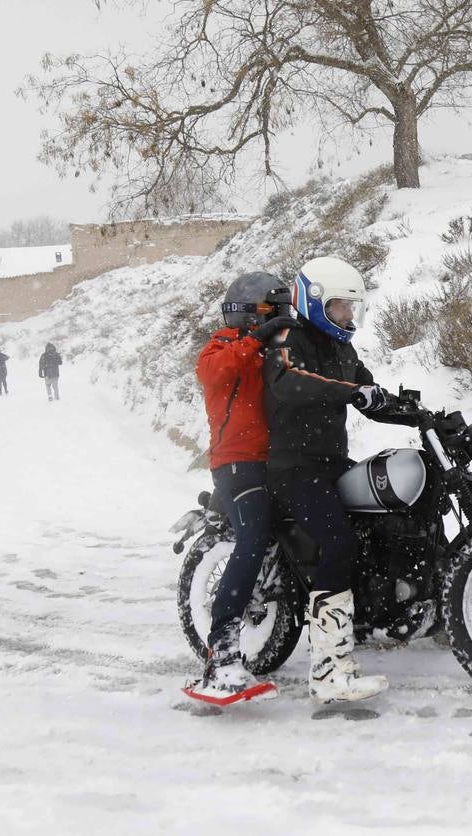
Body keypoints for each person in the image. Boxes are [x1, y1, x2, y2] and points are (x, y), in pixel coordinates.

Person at [264, 256, 392, 704]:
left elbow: (369, 395)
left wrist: (419, 414)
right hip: (291, 467)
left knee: (382, 522)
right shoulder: (286, 338)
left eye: (352, 307)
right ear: (316, 302)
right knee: (336, 541)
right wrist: (350, 391)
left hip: (330, 461)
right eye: (341, 306)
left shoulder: (343, 349)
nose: (349, 315)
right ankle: (327, 670)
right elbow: (289, 381)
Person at [183, 272, 297, 706]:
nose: (280, 320)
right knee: (253, 538)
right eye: (272, 312)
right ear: (248, 313)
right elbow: (214, 373)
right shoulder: (221, 348)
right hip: (237, 466)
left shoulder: (274, 350)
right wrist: (258, 339)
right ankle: (222, 650)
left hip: (278, 462)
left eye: (283, 312)